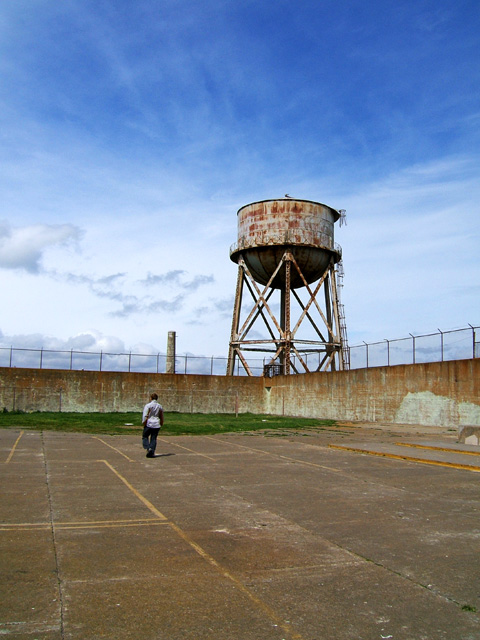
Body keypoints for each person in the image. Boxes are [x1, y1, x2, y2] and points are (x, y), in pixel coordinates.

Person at [142, 393, 164, 458]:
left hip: (149, 423)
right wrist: (162, 422)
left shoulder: (148, 405)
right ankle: (152, 450)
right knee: (153, 438)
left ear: (151, 398)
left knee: (145, 436)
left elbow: (145, 415)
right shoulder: (159, 406)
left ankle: (148, 448)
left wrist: (144, 422)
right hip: (156, 424)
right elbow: (161, 415)